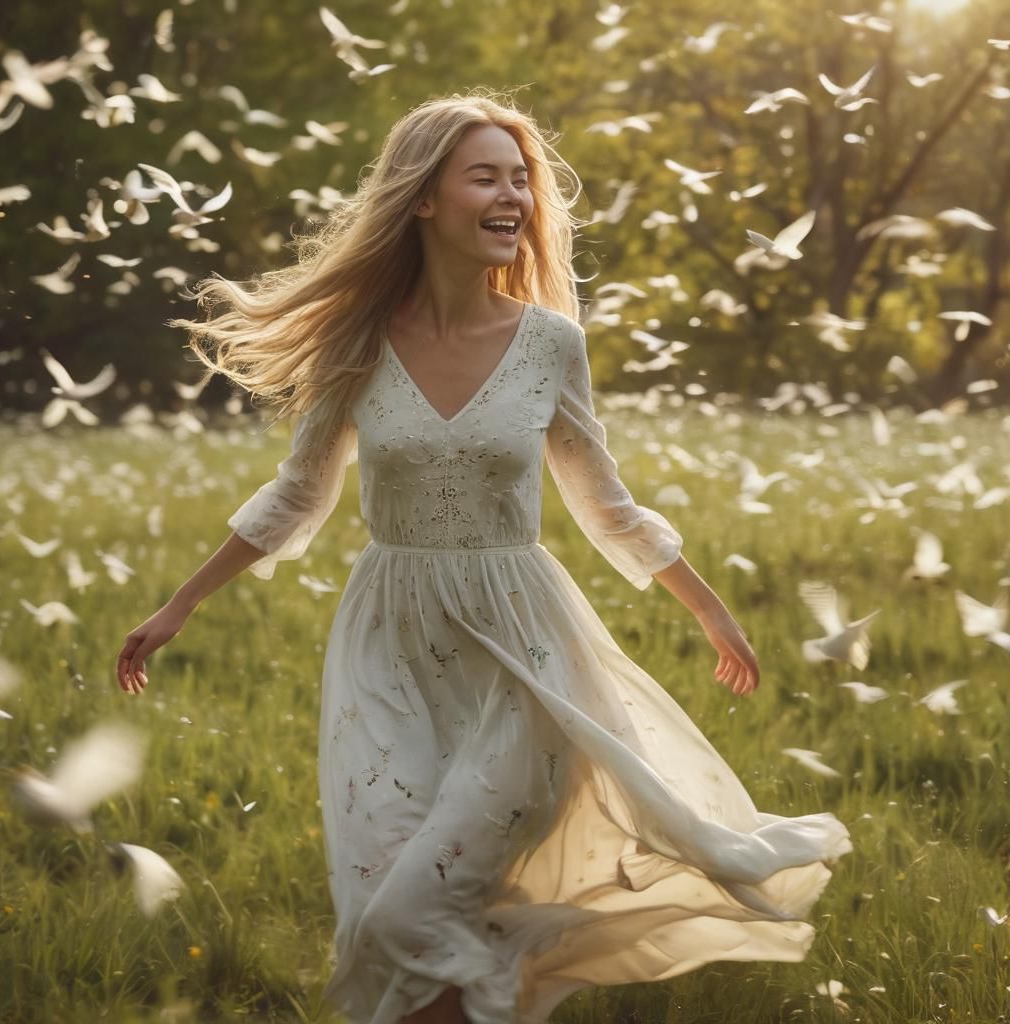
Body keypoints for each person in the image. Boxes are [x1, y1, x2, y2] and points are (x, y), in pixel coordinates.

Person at [116, 89, 852, 1024]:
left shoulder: (551, 345)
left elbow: (604, 501)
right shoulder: (355, 344)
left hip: (523, 651)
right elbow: (298, 493)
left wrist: (707, 607)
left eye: (522, 180)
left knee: (429, 903)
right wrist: (178, 606)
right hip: (387, 644)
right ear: (423, 198)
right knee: (389, 909)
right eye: (486, 177)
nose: (514, 196)